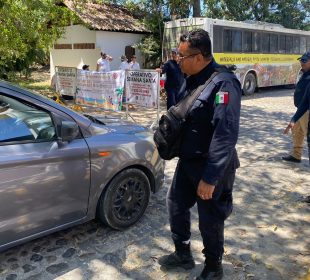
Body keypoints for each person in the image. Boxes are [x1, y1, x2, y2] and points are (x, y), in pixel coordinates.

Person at [157, 29, 241, 280]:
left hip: (211, 167)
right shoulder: (191, 78)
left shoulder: (225, 83)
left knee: (210, 219)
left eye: (181, 57)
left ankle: (214, 267)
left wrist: (211, 177)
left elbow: (225, 133)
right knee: (176, 205)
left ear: (199, 56)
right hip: (189, 161)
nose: (177, 61)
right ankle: (182, 254)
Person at [284, 51, 310, 203]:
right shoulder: (305, 73)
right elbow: (306, 100)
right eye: (302, 60)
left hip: (307, 113)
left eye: (305, 61)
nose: (302, 63)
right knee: (297, 133)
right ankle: (296, 154)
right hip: (302, 109)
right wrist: (293, 119)